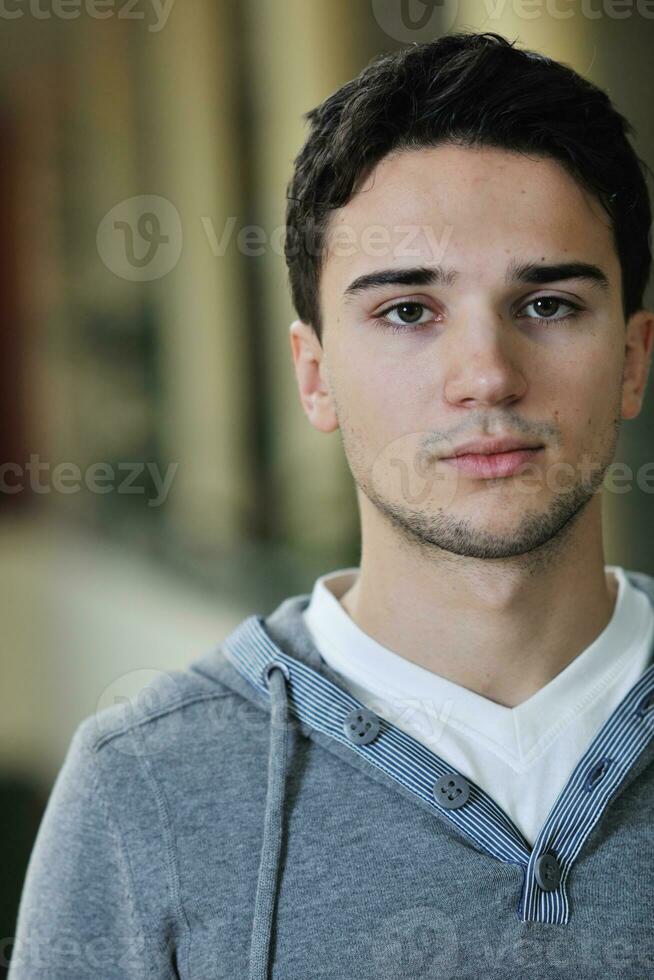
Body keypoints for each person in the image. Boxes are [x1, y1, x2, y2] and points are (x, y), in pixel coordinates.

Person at [8, 30, 654, 980]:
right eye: (406, 312)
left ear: (634, 359)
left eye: (549, 304)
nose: (485, 375)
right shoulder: (143, 787)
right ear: (314, 377)